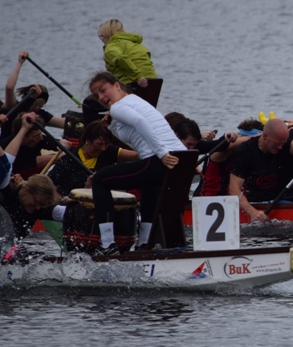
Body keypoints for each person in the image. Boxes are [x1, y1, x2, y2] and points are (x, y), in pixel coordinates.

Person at [88, 71, 185, 252]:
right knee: (148, 185)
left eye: (103, 90)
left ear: (117, 85)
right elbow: (134, 137)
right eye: (96, 95)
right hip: (181, 159)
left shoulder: (117, 108)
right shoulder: (135, 101)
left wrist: (162, 153)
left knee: (99, 180)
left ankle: (107, 243)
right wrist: (112, 126)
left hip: (161, 160)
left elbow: (140, 122)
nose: (101, 97)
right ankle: (144, 244)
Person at [0, 123, 55, 261]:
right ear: (26, 190)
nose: (38, 207)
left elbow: (4, 164)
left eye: (41, 205)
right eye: (37, 202)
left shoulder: (35, 206)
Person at [227, 117, 293, 223]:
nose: (280, 148)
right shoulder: (245, 152)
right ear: (264, 136)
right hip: (254, 203)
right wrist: (252, 212)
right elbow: (234, 190)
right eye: (277, 144)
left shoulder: (284, 145)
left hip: (278, 198)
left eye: (282, 143)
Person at [48, 120, 138, 197]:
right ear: (87, 140)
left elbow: (136, 155)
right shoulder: (68, 159)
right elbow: (49, 185)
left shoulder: (109, 151)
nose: (103, 148)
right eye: (99, 144)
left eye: (106, 144)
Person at [0, 51, 65, 140]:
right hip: (8, 146)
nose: (37, 108)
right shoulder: (14, 107)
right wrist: (20, 63)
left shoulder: (40, 115)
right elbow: (9, 88)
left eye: (41, 105)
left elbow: (65, 123)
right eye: (36, 103)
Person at [199, 118, 261, 197]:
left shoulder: (249, 154)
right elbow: (231, 144)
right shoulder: (223, 150)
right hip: (211, 198)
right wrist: (260, 137)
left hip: (235, 199)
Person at [98, 19, 157, 92]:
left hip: (135, 82)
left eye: (102, 36)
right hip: (154, 82)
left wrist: (138, 76)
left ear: (108, 34)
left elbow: (120, 58)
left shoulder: (110, 47)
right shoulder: (134, 43)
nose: (102, 39)